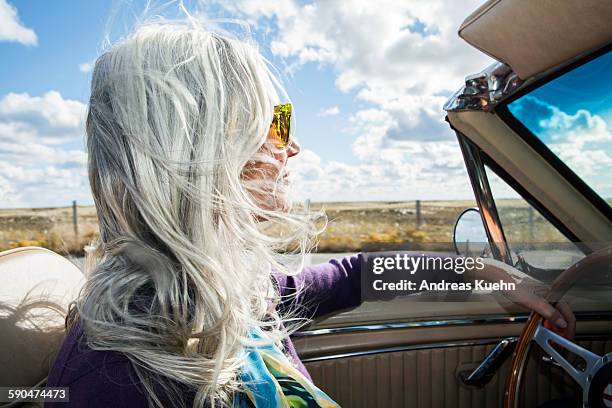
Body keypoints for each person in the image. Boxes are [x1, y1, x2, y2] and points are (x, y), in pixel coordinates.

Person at [46, 18, 573, 408]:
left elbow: (357, 275)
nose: (292, 145)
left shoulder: (227, 293)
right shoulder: (114, 380)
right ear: (203, 149)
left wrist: (488, 275)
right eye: (274, 122)